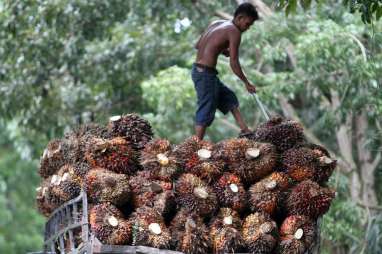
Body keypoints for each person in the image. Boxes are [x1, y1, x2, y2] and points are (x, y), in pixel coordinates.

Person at [192, 3, 259, 140]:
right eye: (247, 24)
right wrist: (247, 82)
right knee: (206, 107)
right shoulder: (234, 31)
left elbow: (198, 45)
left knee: (229, 97)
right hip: (205, 74)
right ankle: (195, 146)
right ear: (240, 18)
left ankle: (245, 130)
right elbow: (234, 63)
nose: (248, 28)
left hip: (201, 71)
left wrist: (222, 50)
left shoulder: (217, 23)